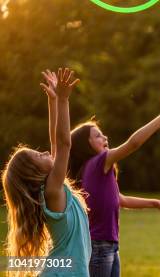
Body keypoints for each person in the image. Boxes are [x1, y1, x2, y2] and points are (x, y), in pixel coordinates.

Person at [67, 93, 160, 277]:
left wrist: (156, 203)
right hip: (99, 247)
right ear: (86, 145)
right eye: (98, 136)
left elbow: (120, 200)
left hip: (109, 246)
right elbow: (133, 143)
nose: (105, 137)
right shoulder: (98, 163)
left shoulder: (96, 170)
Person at [2, 68, 91, 276]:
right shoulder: (52, 192)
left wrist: (52, 101)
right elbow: (63, 144)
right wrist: (63, 100)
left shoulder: (53, 187)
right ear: (34, 173)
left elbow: (55, 142)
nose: (44, 153)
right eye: (39, 156)